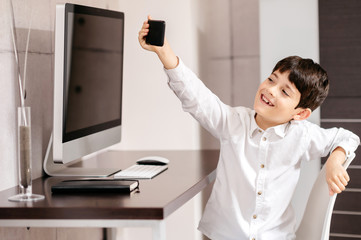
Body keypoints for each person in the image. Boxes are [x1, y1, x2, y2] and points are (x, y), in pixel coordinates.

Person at [138, 16, 360, 240]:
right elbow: (196, 97)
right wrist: (164, 51)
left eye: (285, 92)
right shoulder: (232, 122)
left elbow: (348, 138)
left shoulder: (301, 135)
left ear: (300, 113)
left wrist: (335, 158)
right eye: (272, 79)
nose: (271, 90)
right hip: (223, 236)